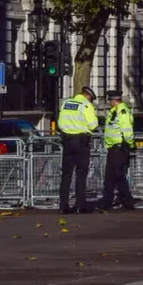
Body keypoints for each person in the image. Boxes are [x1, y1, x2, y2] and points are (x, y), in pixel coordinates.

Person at [57, 86, 98, 214]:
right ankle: (80, 205)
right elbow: (93, 125)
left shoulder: (66, 103)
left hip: (67, 141)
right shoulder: (86, 105)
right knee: (81, 174)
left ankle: (63, 206)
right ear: (88, 96)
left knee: (66, 175)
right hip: (81, 142)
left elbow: (60, 123)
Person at [99, 90, 136, 211]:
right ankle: (107, 201)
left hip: (119, 147)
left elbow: (126, 129)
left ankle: (127, 200)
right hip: (112, 147)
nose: (109, 102)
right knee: (109, 176)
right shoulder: (114, 111)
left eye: (110, 100)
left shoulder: (122, 111)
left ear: (114, 100)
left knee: (118, 175)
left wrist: (129, 145)